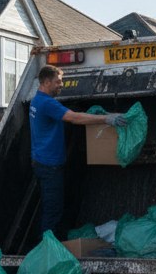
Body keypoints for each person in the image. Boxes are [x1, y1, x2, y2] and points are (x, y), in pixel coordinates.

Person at [30, 65, 128, 238]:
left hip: (42, 161)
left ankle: (50, 246)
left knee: (52, 209)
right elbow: (74, 117)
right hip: (50, 165)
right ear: (46, 82)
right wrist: (108, 119)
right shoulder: (47, 103)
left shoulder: (36, 100)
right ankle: (47, 252)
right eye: (58, 82)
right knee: (53, 212)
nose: (61, 85)